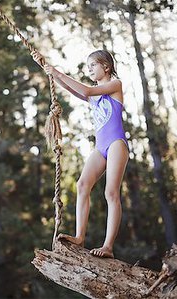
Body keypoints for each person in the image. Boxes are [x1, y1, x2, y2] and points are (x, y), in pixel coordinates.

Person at [32, 49, 129, 258]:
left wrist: (58, 71)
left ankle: (108, 246)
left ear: (106, 66)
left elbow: (84, 91)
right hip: (100, 147)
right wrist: (49, 71)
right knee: (82, 185)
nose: (90, 70)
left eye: (92, 65)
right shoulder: (96, 91)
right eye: (88, 67)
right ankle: (80, 236)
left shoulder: (114, 84)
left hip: (115, 144)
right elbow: (74, 90)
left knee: (110, 193)